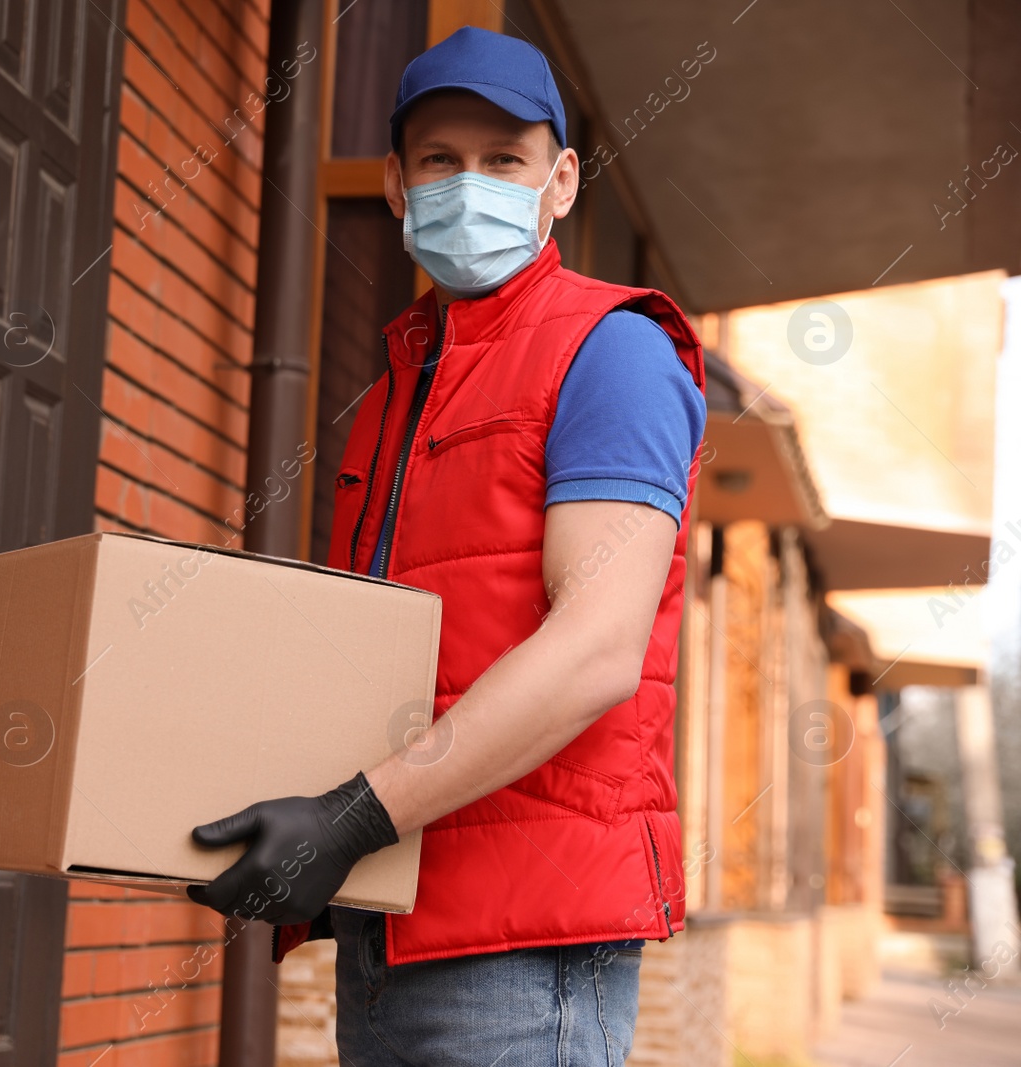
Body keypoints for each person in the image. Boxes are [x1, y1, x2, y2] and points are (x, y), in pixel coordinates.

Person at [185, 26, 708, 1066]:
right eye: (440, 160)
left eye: (504, 160)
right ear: (394, 181)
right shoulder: (393, 395)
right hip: (386, 907)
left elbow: (598, 648)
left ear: (560, 181)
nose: (470, 185)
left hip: (523, 935)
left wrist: (349, 815)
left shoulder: (613, 352)